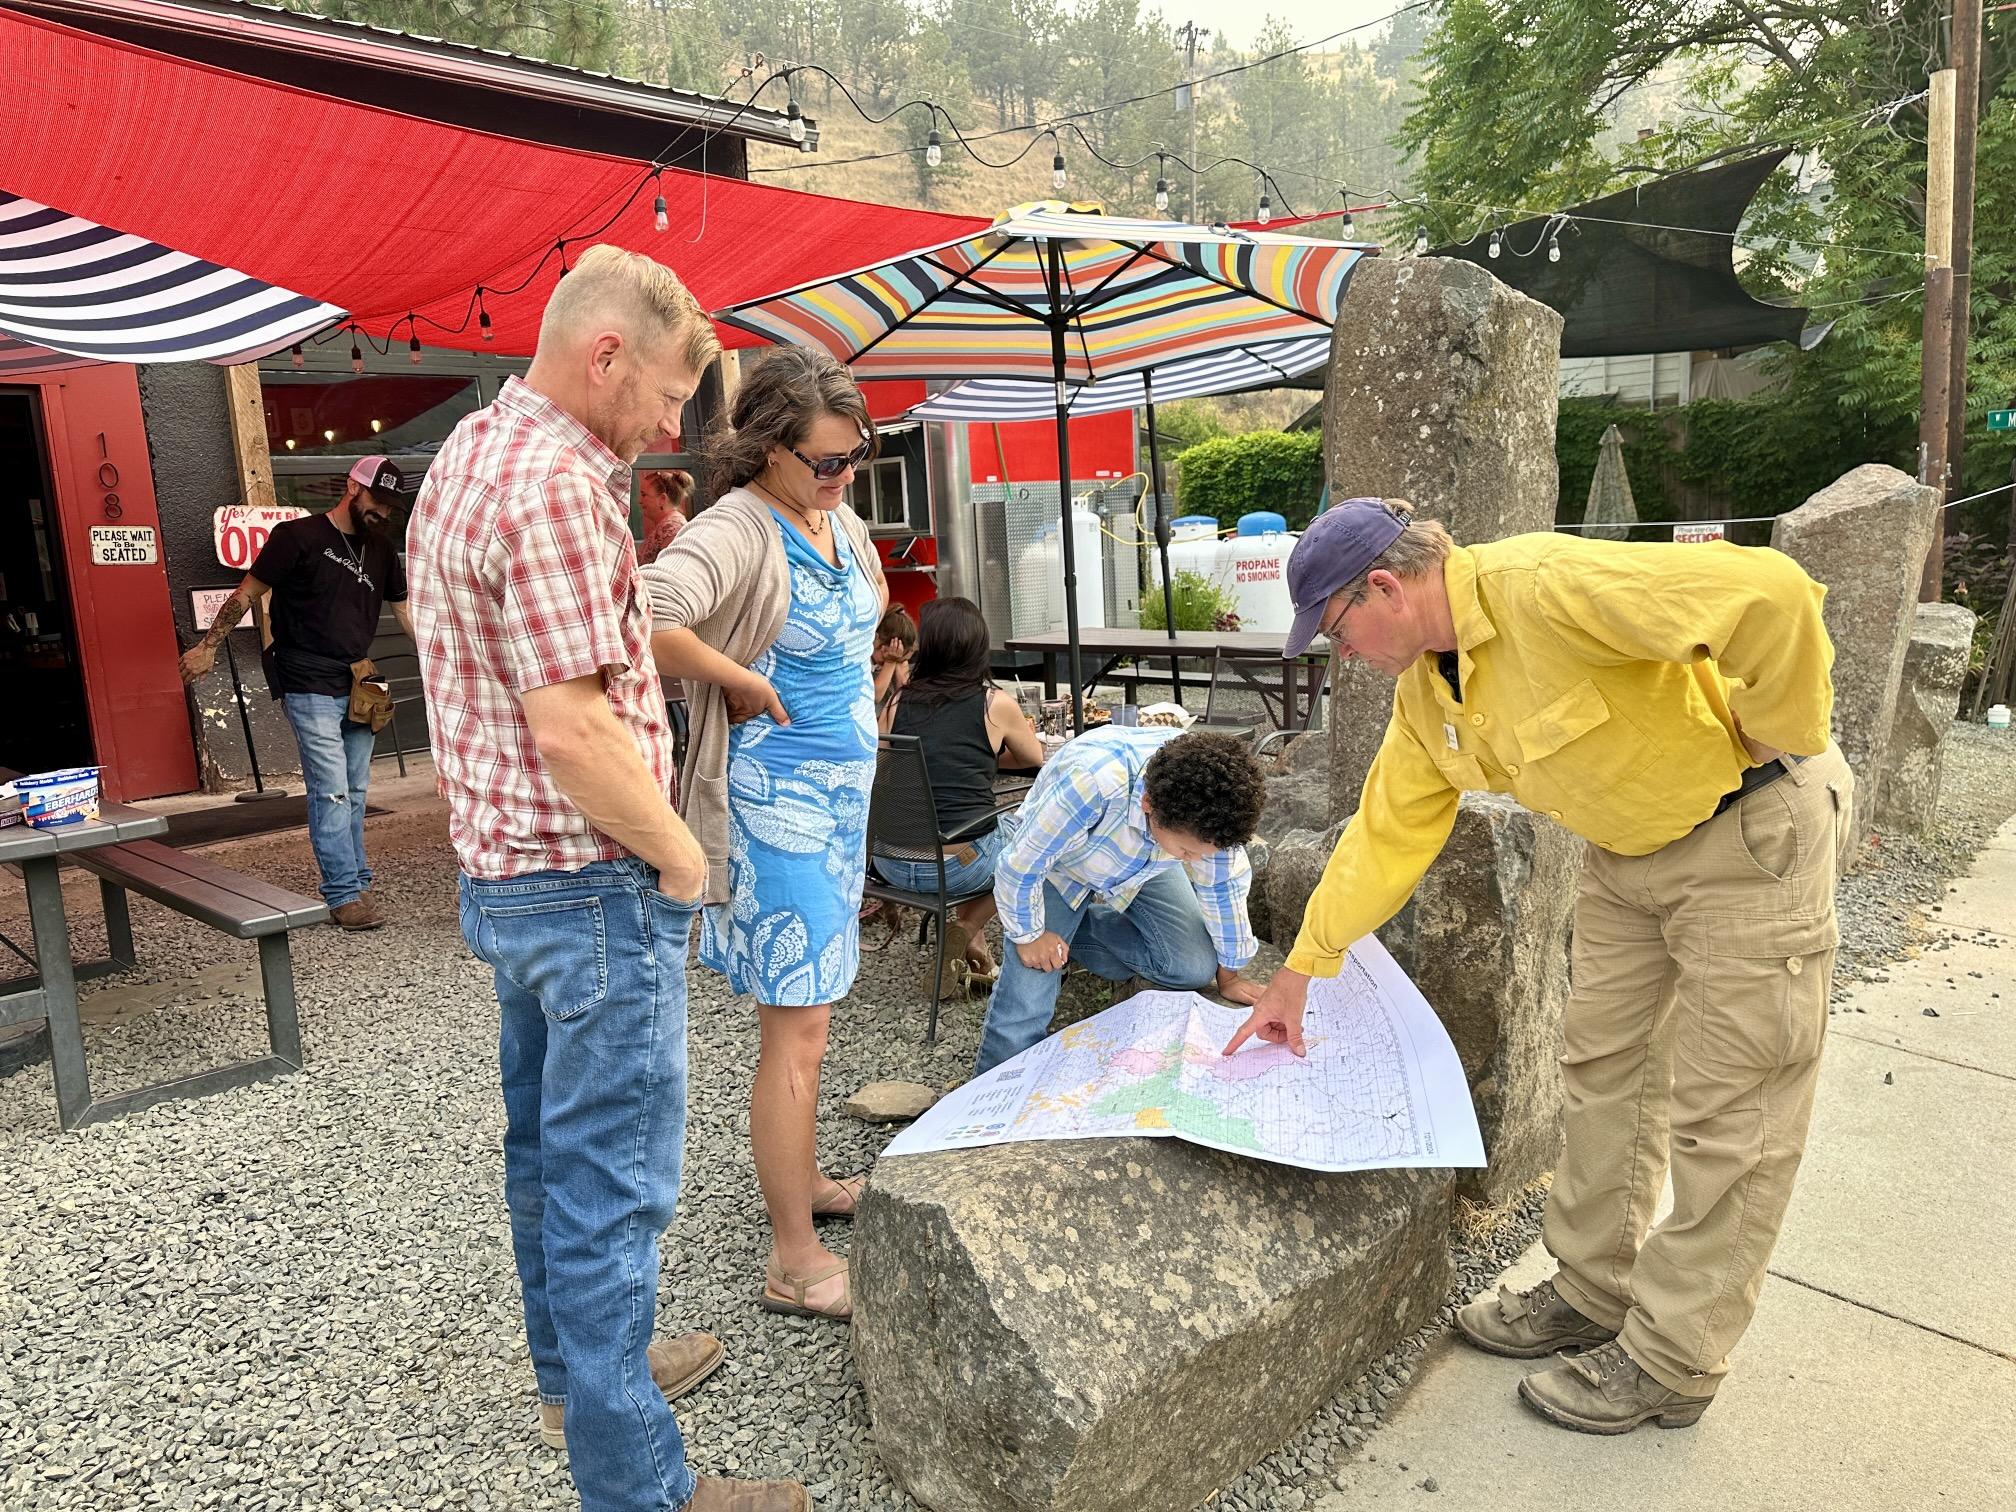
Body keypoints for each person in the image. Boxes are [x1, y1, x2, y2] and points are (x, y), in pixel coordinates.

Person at [1224, 497, 1847, 1437]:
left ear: (1384, 587)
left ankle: (1676, 1357)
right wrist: (1297, 972)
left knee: (1734, 1110)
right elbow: (1385, 836)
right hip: (1623, 856)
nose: (1341, 654)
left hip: (1749, 831)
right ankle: (1595, 1292)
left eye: (1339, 630)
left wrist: (1782, 726)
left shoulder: (1546, 587)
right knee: (1602, 1075)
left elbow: (1771, 592)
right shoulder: (1428, 694)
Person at [407, 244, 807, 1512]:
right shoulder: (562, 485)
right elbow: (573, 727)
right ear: (606, 355)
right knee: (611, 1197)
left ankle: (580, 1382)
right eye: (673, 395)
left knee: (545, 1156)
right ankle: (642, 1488)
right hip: (589, 887)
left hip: (507, 879)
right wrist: (683, 857)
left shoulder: (473, 453)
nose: (673, 427)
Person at [642, 346, 887, 1326]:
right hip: (777, 808)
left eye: (854, 456)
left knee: (815, 1021)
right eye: (824, 462)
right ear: (767, 451)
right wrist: (738, 679)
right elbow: (646, 614)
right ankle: (793, 1256)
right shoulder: (740, 526)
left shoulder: (836, 518)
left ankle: (808, 1179)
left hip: (837, 807)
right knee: (797, 1028)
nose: (842, 476)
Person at [179, 456, 412, 931]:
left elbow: (405, 610)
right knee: (330, 790)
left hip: (361, 681)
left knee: (357, 788)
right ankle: (344, 893)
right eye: (376, 501)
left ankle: (355, 877)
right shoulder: (297, 538)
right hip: (305, 678)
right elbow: (247, 593)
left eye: (390, 507)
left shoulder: (382, 549)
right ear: (352, 486)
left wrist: (444, 659)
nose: (383, 514)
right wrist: (206, 647)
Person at [973, 726, 1267, 1077]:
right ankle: (989, 1104)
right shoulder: (1090, 782)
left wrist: (1230, 974)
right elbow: (1019, 867)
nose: (1194, 861)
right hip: (1059, 865)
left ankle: (1072, 926)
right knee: (1027, 998)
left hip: (1145, 863)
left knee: (1192, 966)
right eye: (1187, 851)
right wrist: (1030, 935)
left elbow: (1224, 887)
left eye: (1202, 854)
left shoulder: (1210, 815)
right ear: (1149, 804)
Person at [874, 595, 1045, 984]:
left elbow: (888, 767)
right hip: (955, 869)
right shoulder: (994, 703)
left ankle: (975, 952)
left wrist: (975, 756)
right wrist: (991, 749)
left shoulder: (897, 701)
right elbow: (1033, 757)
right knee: (1036, 840)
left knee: (975, 832)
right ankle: (964, 931)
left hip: (891, 862)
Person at [870, 604, 916, 715]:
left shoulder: (897, 660)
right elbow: (874, 697)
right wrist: (889, 663)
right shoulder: (861, 660)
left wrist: (899, 664)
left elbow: (906, 701)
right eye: (887, 654)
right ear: (876, 638)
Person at [640, 466, 693, 561]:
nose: (640, 501)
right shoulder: (665, 525)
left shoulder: (672, 528)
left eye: (644, 495)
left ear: (662, 499)